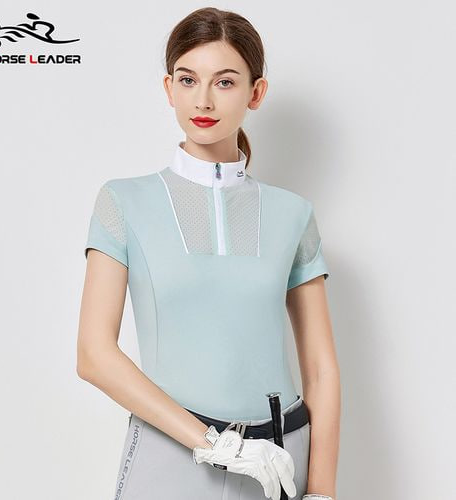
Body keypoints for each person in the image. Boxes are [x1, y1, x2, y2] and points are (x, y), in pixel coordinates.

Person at [77, 7, 340, 500]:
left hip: (280, 459)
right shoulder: (123, 202)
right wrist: (215, 445)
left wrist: (322, 491)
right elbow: (94, 355)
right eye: (188, 79)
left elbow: (321, 368)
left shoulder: (293, 214)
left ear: (255, 93)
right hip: (171, 454)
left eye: (224, 82)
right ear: (169, 88)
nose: (203, 99)